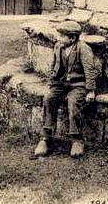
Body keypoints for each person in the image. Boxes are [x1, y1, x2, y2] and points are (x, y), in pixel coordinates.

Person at [34, 20, 98, 159]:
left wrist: (91, 90)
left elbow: (90, 70)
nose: (59, 39)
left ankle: (77, 140)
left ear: (73, 38)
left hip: (78, 84)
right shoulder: (59, 47)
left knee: (74, 103)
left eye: (63, 36)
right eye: (60, 35)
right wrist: (53, 83)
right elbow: (54, 66)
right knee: (49, 99)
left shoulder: (83, 48)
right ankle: (46, 138)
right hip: (61, 84)